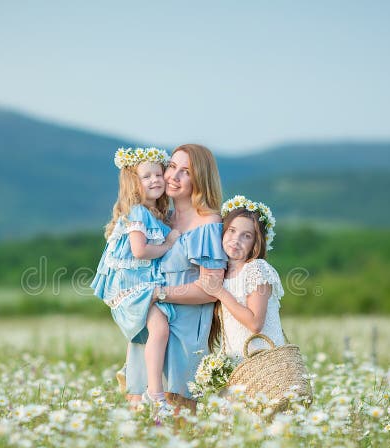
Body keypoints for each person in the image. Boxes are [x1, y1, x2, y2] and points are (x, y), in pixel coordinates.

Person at [125, 144, 227, 414]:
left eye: (185, 172)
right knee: (142, 417)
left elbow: (210, 288)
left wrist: (157, 293)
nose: (173, 176)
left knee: (178, 419)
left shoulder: (207, 223)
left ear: (200, 179)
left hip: (184, 332)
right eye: (171, 166)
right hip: (152, 328)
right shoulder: (162, 219)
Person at [91, 147, 179, 415]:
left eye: (158, 174)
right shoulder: (139, 212)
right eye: (146, 176)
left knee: (151, 336)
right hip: (132, 286)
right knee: (160, 330)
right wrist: (167, 245)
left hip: (141, 284)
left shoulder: (153, 214)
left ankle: (140, 387)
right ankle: (155, 393)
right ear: (133, 183)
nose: (155, 180)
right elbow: (140, 251)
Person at [198, 196, 285, 361]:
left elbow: (255, 324)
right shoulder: (222, 274)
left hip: (264, 362)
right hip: (238, 363)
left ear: (255, 243)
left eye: (246, 236)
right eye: (232, 230)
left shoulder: (256, 269)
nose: (236, 240)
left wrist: (219, 292)